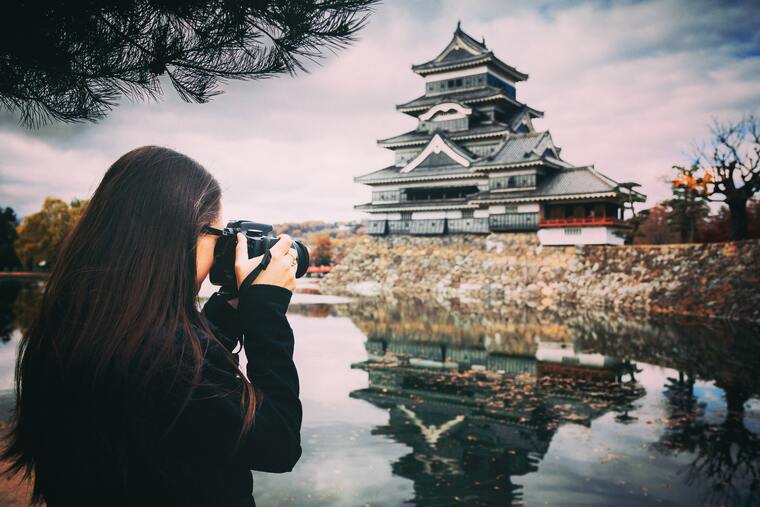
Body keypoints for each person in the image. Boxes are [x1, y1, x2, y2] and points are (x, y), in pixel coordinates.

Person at [1, 146, 302, 506]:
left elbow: (177, 382)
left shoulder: (69, 329)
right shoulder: (169, 360)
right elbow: (279, 443)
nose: (222, 250)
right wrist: (266, 313)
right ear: (179, 236)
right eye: (219, 237)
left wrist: (229, 309)